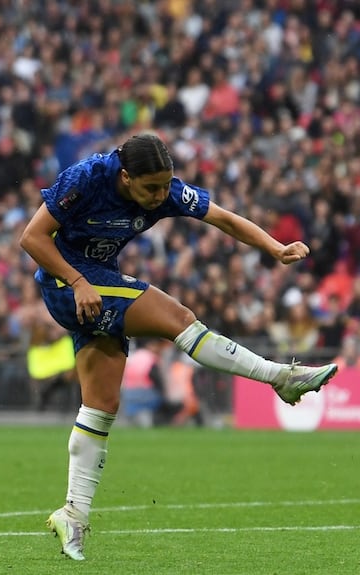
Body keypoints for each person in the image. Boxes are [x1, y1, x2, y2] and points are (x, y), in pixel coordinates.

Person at [19, 133, 338, 561]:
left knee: (101, 405)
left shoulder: (164, 190)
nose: (161, 195)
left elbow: (222, 218)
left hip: (94, 283)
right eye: (152, 187)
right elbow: (32, 238)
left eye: (166, 185)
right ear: (127, 177)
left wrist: (274, 247)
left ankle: (72, 514)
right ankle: (280, 377)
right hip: (68, 284)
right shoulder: (87, 178)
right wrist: (77, 282)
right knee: (179, 320)